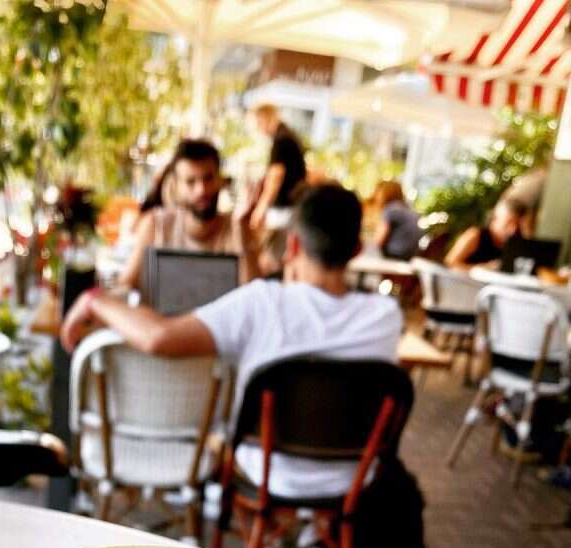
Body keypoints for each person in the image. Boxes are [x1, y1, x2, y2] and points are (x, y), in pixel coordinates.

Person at [62, 183, 402, 499]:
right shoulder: (386, 316)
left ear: (293, 245)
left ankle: (275, 541)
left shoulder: (262, 304)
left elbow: (158, 338)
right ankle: (307, 538)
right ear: (356, 250)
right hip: (353, 478)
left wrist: (96, 300)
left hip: (265, 474)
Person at [118, 139, 258, 290]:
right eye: (190, 182)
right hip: (161, 314)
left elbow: (254, 298)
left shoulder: (237, 227)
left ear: (219, 180)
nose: (202, 190)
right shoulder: (156, 225)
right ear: (176, 187)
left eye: (208, 178)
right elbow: (125, 285)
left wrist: (242, 231)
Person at [248, 104, 307, 232]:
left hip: (284, 208)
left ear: (265, 119)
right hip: (293, 205)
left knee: (274, 249)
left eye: (258, 123)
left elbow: (276, 176)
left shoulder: (281, 140)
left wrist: (261, 208)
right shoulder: (289, 135)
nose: (258, 129)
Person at [444, 196, 528, 270]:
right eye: (508, 223)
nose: (513, 230)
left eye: (517, 225)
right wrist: (484, 268)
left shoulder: (515, 242)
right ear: (495, 219)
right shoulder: (475, 235)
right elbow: (450, 264)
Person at [371, 180, 423, 261]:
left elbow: (377, 242)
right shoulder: (408, 209)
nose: (376, 196)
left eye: (378, 193)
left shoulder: (391, 209)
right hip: (410, 258)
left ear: (386, 193)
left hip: (393, 257)